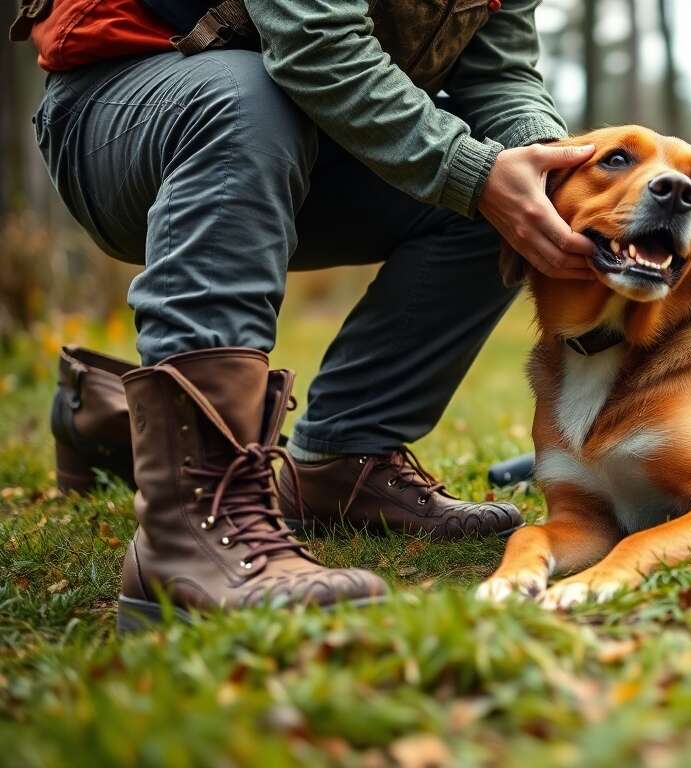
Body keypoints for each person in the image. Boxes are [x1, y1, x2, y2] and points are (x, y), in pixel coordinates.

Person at [14, 0, 592, 626]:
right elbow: (314, 42)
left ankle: (344, 464)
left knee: (513, 204)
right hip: (123, 111)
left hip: (301, 124)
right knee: (245, 97)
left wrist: (546, 165)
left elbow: (499, 74)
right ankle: (191, 529)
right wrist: (474, 173)